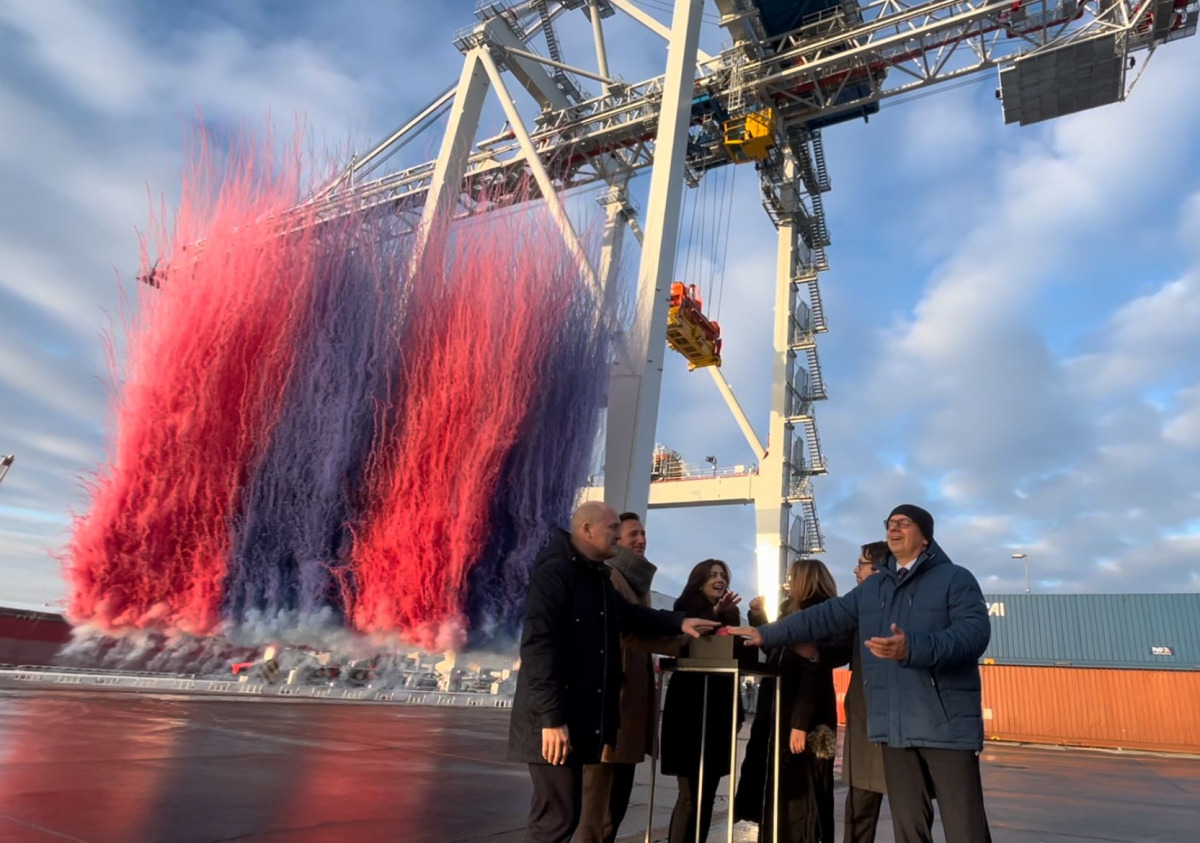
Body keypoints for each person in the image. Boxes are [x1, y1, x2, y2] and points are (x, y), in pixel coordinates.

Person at [729, 505, 992, 843]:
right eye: (890, 523)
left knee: (964, 827)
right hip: (895, 728)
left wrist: (913, 647)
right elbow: (823, 616)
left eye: (903, 523)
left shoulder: (956, 579)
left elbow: (974, 635)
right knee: (909, 828)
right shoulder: (875, 587)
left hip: (944, 726)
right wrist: (767, 633)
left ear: (925, 538)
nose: (893, 529)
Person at [507, 502, 718, 843]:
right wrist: (551, 720)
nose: (619, 537)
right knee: (555, 819)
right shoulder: (556, 573)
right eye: (613, 530)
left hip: (576, 718)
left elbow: (632, 616)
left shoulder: (596, 578)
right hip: (553, 722)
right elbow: (538, 648)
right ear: (586, 530)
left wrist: (680, 621)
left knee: (567, 814)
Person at [735, 558, 847, 843]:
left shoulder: (818, 615)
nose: (787, 582)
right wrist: (760, 621)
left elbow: (812, 672)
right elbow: (780, 646)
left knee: (801, 791)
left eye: (790, 577)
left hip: (798, 715)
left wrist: (800, 722)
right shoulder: (793, 612)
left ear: (805, 580)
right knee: (778, 787)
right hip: (779, 712)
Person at [575, 512, 662, 843]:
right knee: (597, 804)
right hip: (613, 709)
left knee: (616, 803)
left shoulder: (636, 581)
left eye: (643, 534)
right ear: (616, 540)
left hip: (631, 712)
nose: (641, 540)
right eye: (633, 535)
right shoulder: (611, 577)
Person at [659, 559, 743, 843]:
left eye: (723, 575)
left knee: (708, 793)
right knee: (690, 795)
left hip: (720, 710)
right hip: (689, 710)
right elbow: (685, 638)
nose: (719, 580)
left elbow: (741, 658)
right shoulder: (685, 607)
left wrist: (755, 619)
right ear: (699, 581)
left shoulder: (732, 614)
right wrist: (714, 613)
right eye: (712, 576)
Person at [843, 541, 892, 843]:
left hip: (894, 725)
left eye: (860, 563)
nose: (854, 570)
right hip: (865, 726)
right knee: (860, 808)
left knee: (907, 813)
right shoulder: (856, 608)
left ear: (878, 569)